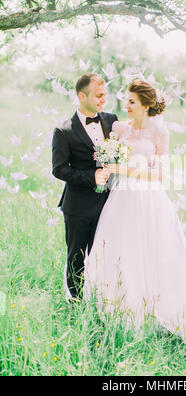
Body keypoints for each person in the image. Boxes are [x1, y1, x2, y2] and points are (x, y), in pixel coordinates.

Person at [83, 79, 186, 343]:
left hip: (148, 199)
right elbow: (109, 159)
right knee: (120, 248)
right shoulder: (119, 128)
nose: (126, 106)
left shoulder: (160, 133)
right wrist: (109, 161)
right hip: (121, 198)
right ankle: (119, 308)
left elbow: (159, 174)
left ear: (146, 106)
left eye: (132, 102)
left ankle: (155, 309)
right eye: (127, 101)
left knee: (154, 251)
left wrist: (125, 169)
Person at [52, 73, 118, 303]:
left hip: (109, 204)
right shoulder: (64, 130)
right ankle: (76, 301)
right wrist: (93, 176)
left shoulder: (112, 121)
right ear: (82, 96)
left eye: (105, 95)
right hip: (78, 206)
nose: (103, 100)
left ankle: (104, 301)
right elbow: (59, 169)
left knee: (105, 256)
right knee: (77, 257)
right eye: (98, 95)